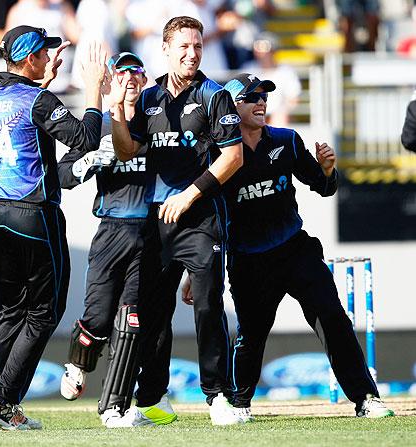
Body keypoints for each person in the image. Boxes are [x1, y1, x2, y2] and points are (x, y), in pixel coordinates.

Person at [208, 72, 393, 420]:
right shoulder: (216, 155)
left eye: (264, 96)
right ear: (232, 107)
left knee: (333, 318)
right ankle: (239, 403)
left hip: (295, 249)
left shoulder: (287, 140)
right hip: (247, 260)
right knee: (250, 336)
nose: (261, 102)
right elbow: (209, 215)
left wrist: (327, 170)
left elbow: (323, 188)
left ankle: (366, 398)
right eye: (252, 97)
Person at [111, 16, 244, 426]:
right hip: (155, 219)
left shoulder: (214, 95)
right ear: (165, 49)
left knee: (207, 305)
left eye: (198, 47)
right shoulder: (148, 99)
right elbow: (125, 151)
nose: (192, 53)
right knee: (152, 311)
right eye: (184, 47)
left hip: (201, 216)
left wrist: (189, 195)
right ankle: (152, 399)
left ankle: (218, 396)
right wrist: (117, 110)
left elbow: (233, 157)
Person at [0, 25, 105, 431]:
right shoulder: (38, 99)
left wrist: (42, 87)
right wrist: (94, 89)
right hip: (34, 214)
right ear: (29, 58)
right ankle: (2, 400)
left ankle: (2, 403)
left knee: (12, 310)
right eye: (44, 53)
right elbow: (85, 138)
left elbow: (20, 114)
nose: (50, 57)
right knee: (44, 314)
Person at [56, 52, 177, 427]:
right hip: (110, 230)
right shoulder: (103, 127)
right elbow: (63, 174)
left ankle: (114, 408)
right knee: (97, 319)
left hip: (148, 233)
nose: (130, 80)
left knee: (132, 322)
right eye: (123, 74)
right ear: (112, 82)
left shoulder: (157, 123)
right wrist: (92, 160)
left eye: (137, 75)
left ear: (144, 83)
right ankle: (78, 363)